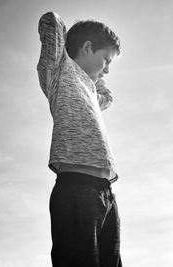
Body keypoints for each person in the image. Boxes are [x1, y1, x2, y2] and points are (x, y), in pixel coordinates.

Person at [37, 11, 122, 267]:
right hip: (76, 190)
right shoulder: (59, 73)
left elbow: (107, 97)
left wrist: (98, 76)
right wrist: (73, 42)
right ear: (86, 47)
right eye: (106, 60)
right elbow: (51, 21)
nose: (107, 70)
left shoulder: (91, 90)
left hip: (106, 195)